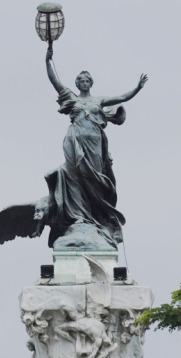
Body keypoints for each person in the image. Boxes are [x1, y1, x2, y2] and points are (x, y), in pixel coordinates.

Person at [43, 44, 148, 248]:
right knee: (75, 176)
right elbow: (54, 80)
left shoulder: (99, 100)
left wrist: (137, 88)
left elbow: (122, 97)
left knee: (98, 179)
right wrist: (47, 60)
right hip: (75, 142)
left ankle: (98, 217)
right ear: (77, 83)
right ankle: (79, 217)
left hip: (95, 143)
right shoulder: (71, 98)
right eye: (80, 80)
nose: (83, 83)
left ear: (91, 83)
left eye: (86, 80)